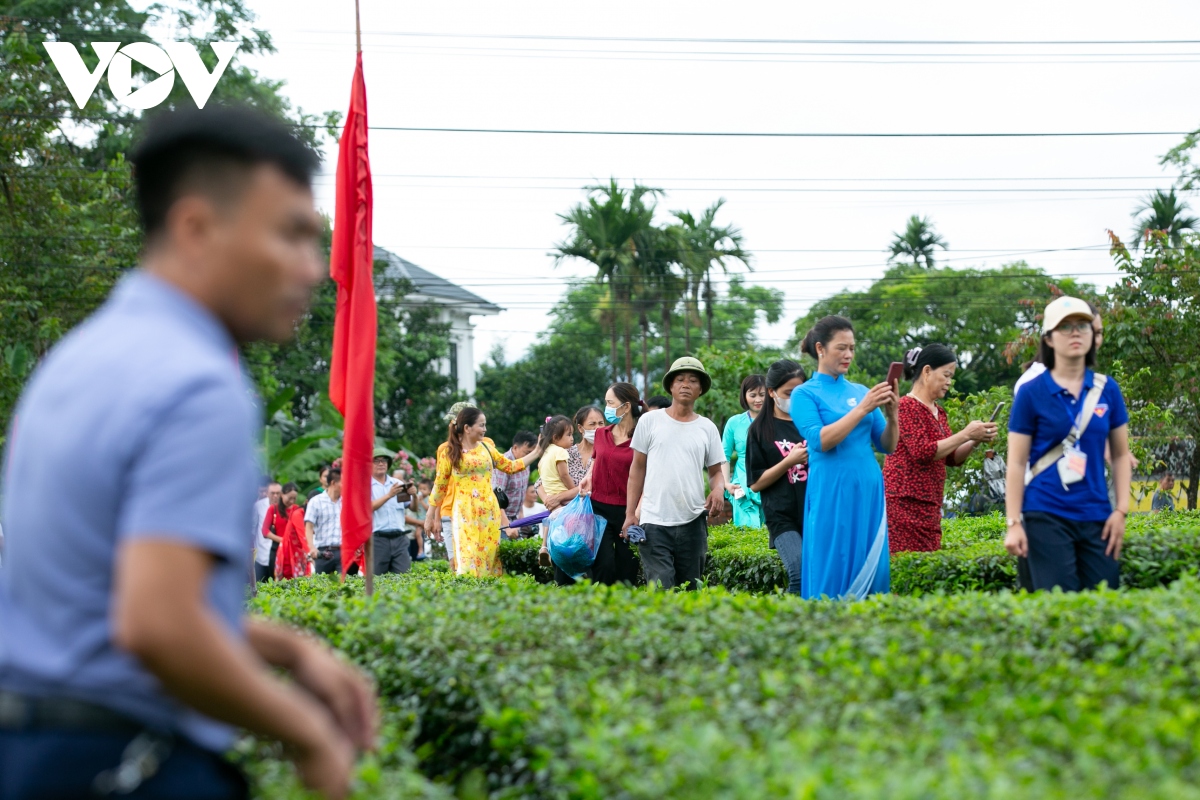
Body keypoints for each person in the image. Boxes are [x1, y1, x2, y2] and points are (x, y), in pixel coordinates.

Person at [0, 107, 375, 799]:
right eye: (290, 235)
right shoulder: (197, 383)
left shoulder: (80, 359)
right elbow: (157, 625)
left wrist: (287, 647)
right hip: (125, 763)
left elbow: (94, 599)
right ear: (196, 227)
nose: (314, 269)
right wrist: (308, 733)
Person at [1004, 296, 1132, 592]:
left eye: (1083, 326)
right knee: (1060, 604)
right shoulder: (1031, 392)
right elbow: (1016, 462)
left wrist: (1121, 511)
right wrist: (1014, 524)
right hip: (1045, 512)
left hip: (1097, 513)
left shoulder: (1107, 389)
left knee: (1104, 601)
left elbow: (1122, 455)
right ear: (1048, 338)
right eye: (1065, 327)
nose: (1076, 333)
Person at [792, 315, 899, 600]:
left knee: (872, 562)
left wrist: (893, 416)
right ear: (820, 348)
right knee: (832, 560)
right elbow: (820, 441)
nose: (848, 354)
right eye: (841, 347)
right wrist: (863, 409)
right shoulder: (804, 394)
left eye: (852, 347)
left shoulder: (861, 392)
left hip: (868, 488)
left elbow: (887, 445)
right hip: (832, 489)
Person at [883, 345, 998, 553]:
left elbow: (951, 457)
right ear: (927, 371)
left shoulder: (940, 413)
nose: (949, 382)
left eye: (951, 376)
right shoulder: (907, 406)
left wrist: (974, 440)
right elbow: (923, 452)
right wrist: (965, 434)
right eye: (946, 375)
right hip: (903, 504)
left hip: (930, 506)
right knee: (908, 568)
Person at [625, 358, 726, 590]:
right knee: (661, 588)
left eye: (692, 381)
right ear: (670, 386)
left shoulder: (707, 427)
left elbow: (715, 472)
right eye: (679, 379)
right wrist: (631, 513)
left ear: (700, 389)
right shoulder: (650, 421)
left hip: (693, 522)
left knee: (691, 591)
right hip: (654, 521)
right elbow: (637, 469)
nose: (685, 385)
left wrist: (718, 489)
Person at [426, 407, 543, 577]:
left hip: (489, 512)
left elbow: (510, 466)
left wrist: (538, 451)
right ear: (467, 428)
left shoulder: (487, 448)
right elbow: (440, 486)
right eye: (481, 425)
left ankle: (488, 598)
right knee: (468, 560)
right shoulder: (450, 452)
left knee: (490, 559)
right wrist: (430, 517)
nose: (485, 429)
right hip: (465, 513)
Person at [745, 360, 810, 595]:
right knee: (799, 572)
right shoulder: (759, 431)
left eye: (800, 392)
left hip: (815, 512)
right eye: (789, 393)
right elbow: (755, 484)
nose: (794, 398)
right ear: (772, 392)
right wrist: (789, 462)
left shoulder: (810, 424)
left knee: (820, 578)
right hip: (782, 518)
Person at [578, 382, 644, 586]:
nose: (606, 408)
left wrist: (635, 514)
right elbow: (596, 460)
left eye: (610, 403)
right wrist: (589, 475)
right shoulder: (601, 434)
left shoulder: (642, 437)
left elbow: (648, 477)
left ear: (625, 407)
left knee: (627, 570)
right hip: (598, 509)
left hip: (629, 510)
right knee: (603, 566)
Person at [722, 375, 767, 528]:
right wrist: (726, 483)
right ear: (744, 396)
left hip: (770, 481)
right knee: (746, 531)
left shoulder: (776, 420)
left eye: (762, 395)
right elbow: (724, 456)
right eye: (753, 395)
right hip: (741, 484)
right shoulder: (734, 422)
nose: (758, 400)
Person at [370, 448, 416, 576]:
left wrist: (415, 495)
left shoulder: (398, 483)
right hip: (378, 539)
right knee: (377, 580)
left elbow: (412, 507)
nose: (381, 464)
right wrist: (389, 495)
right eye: (377, 461)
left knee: (404, 578)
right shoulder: (365, 485)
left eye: (384, 461)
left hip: (399, 538)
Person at [307, 468, 354, 576]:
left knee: (343, 586)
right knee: (322, 587)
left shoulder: (347, 502)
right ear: (333, 483)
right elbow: (309, 526)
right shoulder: (316, 501)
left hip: (343, 551)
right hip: (323, 552)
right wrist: (312, 548)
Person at [493, 430, 538, 527]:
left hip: (515, 518)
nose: (529, 456)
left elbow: (520, 491)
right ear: (515, 448)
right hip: (500, 519)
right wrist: (506, 526)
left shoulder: (526, 463)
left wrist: (521, 516)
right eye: (527, 452)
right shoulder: (504, 463)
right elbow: (498, 498)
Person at [261, 482, 299, 579]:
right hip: (277, 550)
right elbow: (265, 531)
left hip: (293, 552)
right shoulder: (273, 509)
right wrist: (283, 540)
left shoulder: (296, 509)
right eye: (289, 498)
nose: (292, 501)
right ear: (282, 495)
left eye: (294, 498)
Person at [275, 492, 312, 581]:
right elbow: (303, 536)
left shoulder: (309, 513)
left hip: (301, 553)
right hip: (289, 552)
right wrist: (311, 556)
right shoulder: (298, 514)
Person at [253, 482, 281, 583]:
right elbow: (254, 529)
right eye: (272, 493)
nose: (275, 496)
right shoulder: (258, 506)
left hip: (279, 555)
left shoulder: (285, 508)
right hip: (262, 554)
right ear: (267, 493)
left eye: (278, 493)